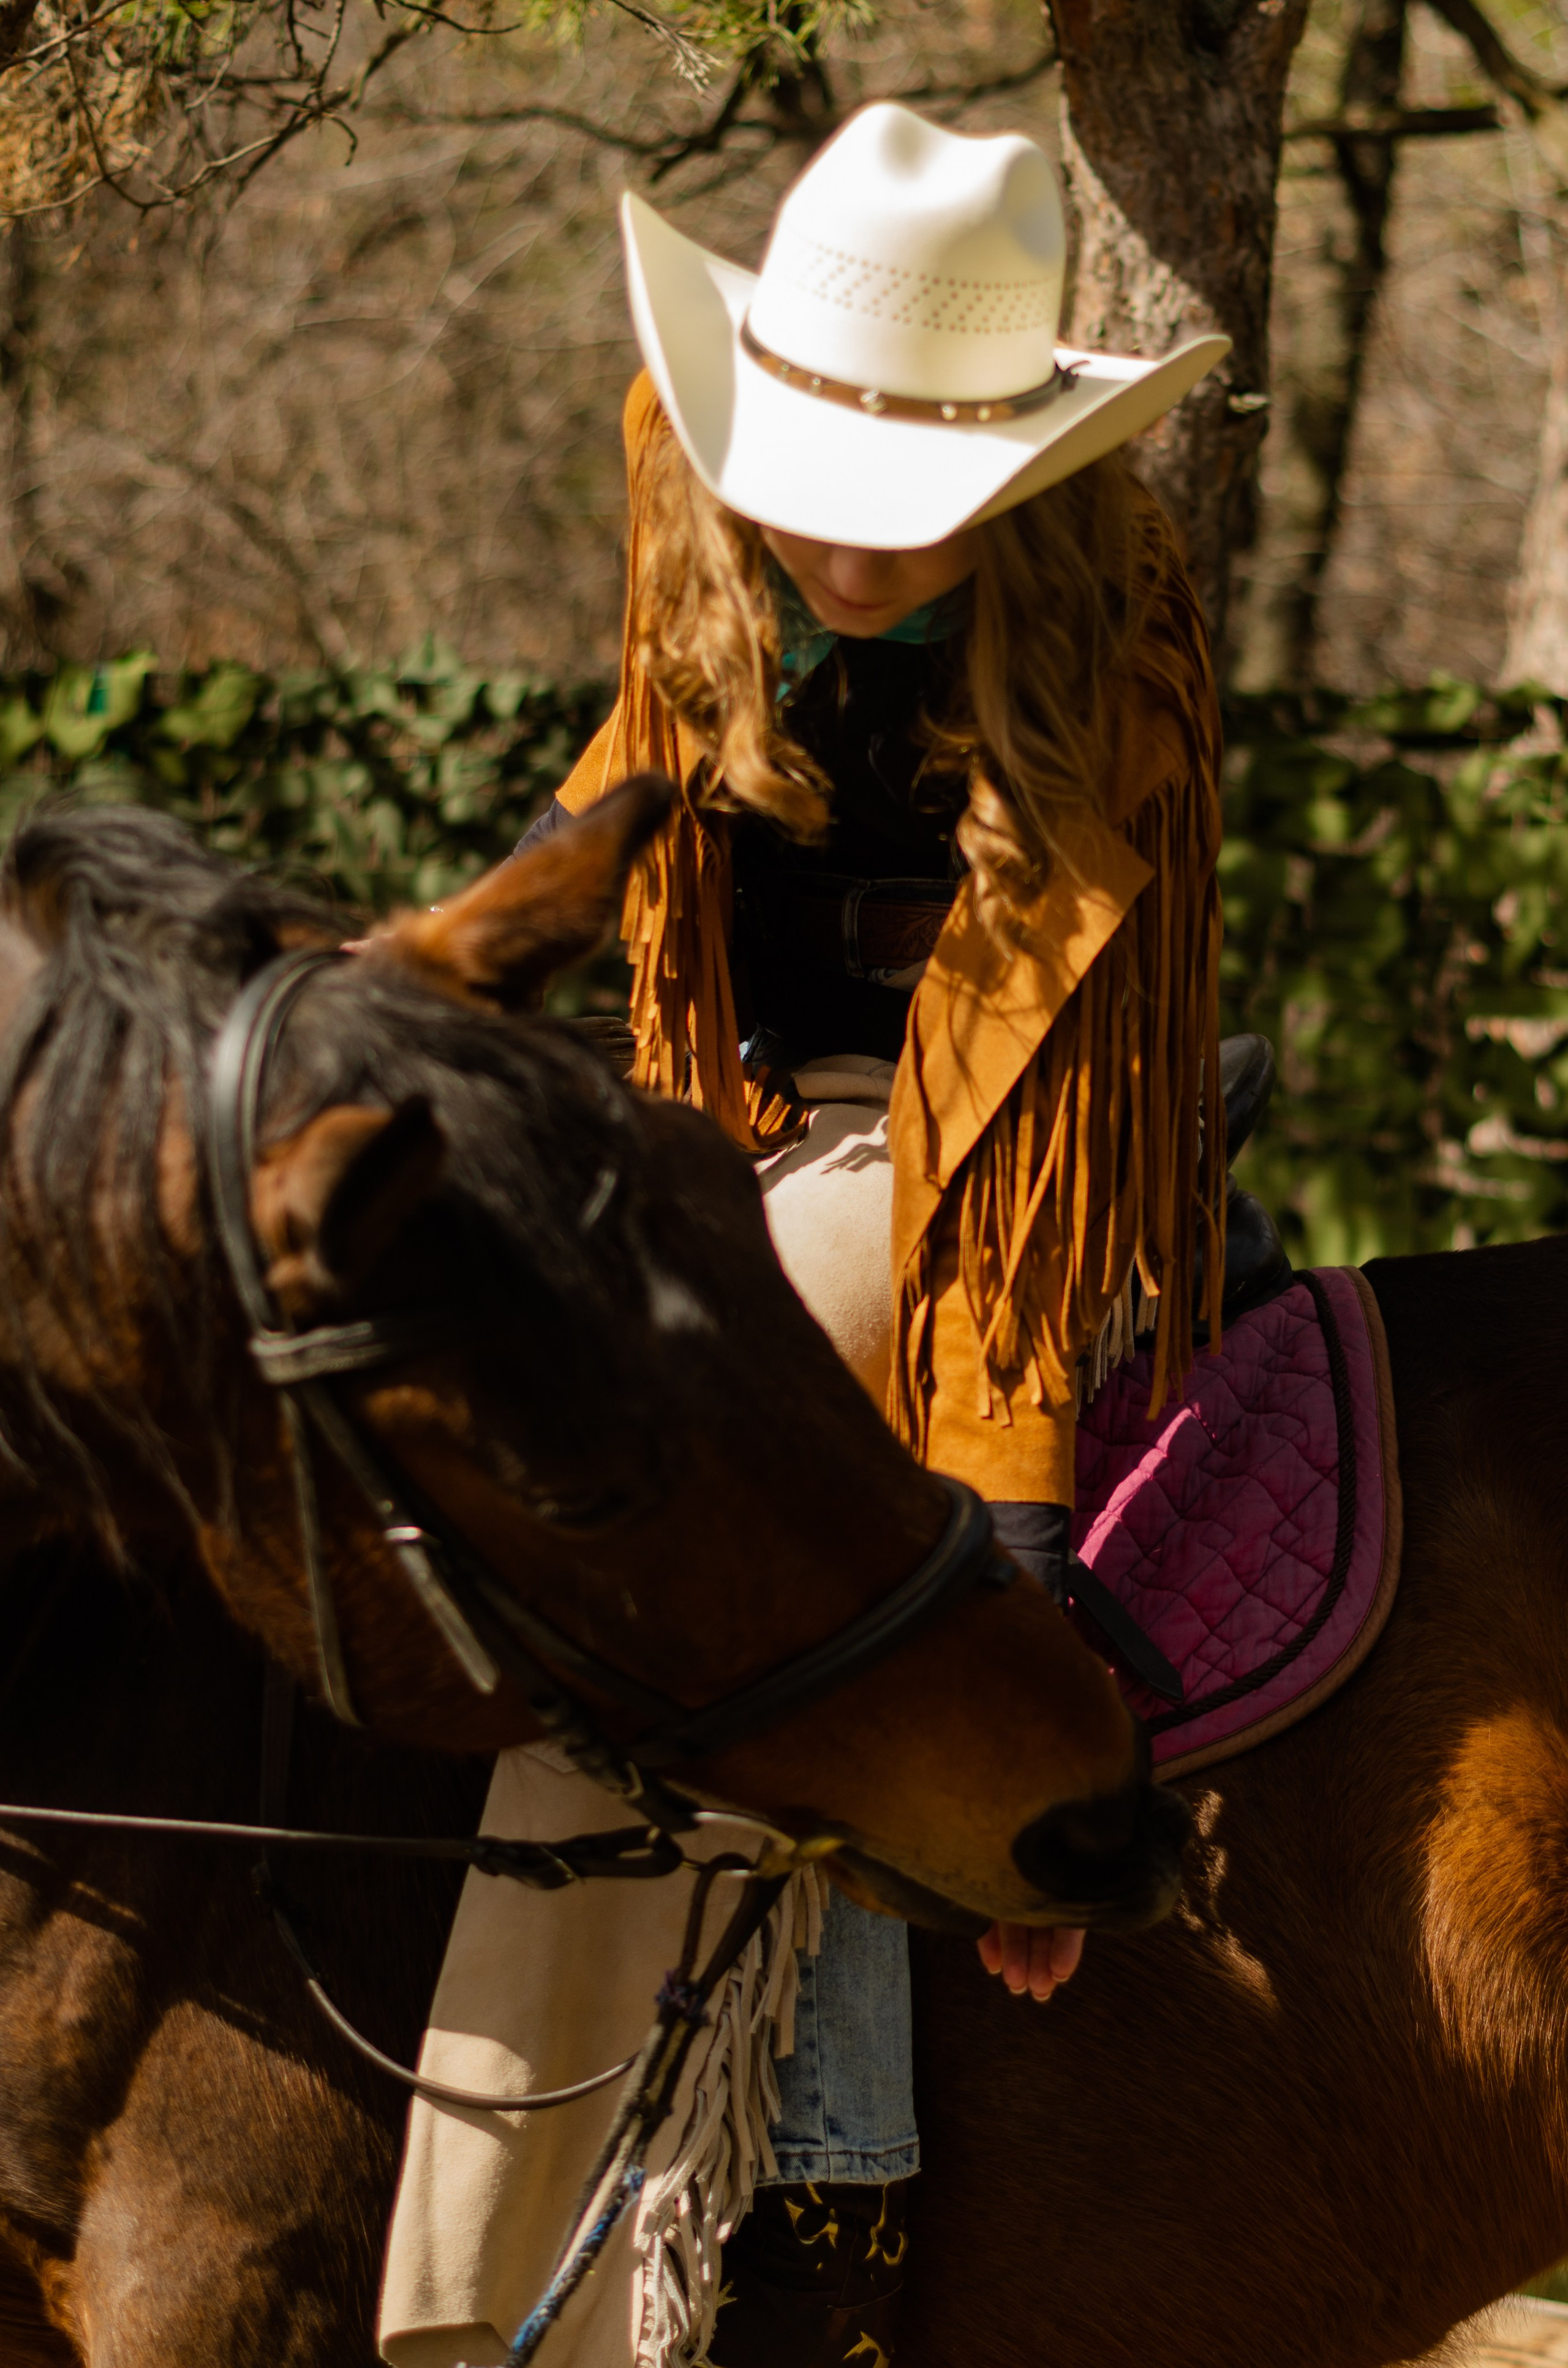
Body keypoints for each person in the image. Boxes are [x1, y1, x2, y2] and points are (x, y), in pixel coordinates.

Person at [522, 99, 1229, 2367]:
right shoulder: (678, 465)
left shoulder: (1110, 634)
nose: (842, 547)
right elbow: (632, 858)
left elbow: (1012, 1138)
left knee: (764, 1447)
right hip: (702, 1117)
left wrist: (1014, 1576)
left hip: (977, 1175)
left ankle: (818, 2183)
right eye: (814, 482)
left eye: (910, 514)